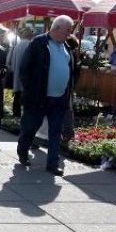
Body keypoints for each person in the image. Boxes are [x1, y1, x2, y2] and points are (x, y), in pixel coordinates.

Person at [16, 15, 75, 176]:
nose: (69, 34)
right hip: (39, 98)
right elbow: (24, 69)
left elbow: (70, 70)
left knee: (56, 132)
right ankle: (22, 150)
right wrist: (31, 90)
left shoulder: (66, 47)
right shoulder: (38, 43)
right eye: (67, 31)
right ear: (56, 29)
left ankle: (52, 164)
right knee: (30, 127)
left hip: (59, 99)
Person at [6, 26, 33, 117]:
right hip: (28, 77)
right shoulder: (31, 45)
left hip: (17, 76)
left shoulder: (17, 46)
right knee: (27, 99)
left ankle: (16, 115)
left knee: (17, 97)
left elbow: (12, 64)